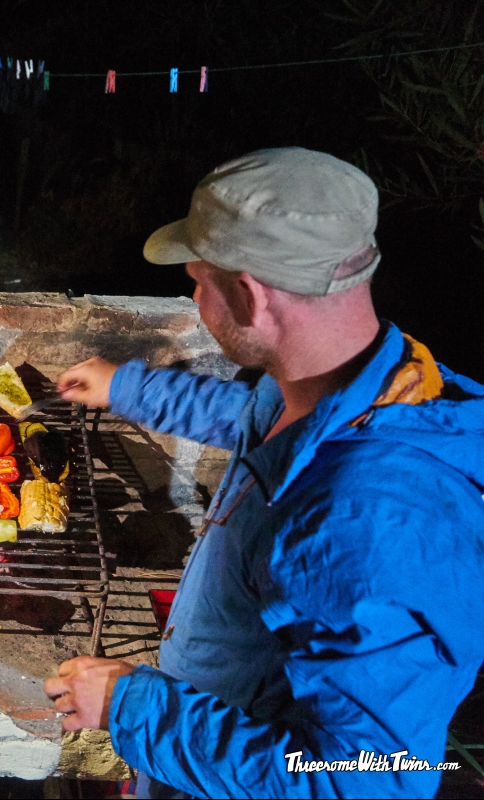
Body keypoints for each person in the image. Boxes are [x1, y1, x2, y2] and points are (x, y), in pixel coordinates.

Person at [45, 147, 484, 798]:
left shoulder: (362, 529)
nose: (194, 297)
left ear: (249, 295)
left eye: (199, 280)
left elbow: (365, 783)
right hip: (208, 719)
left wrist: (131, 710)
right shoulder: (368, 382)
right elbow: (251, 418)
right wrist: (129, 389)